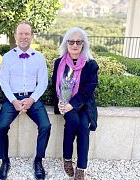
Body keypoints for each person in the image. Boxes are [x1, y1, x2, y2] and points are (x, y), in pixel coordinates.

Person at [0, 22, 51, 180]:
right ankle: (5, 162)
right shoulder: (7, 57)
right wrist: (13, 101)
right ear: (15, 35)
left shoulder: (39, 58)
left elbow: (43, 82)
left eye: (27, 34)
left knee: (46, 125)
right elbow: (3, 81)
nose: (24, 37)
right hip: (12, 98)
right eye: (21, 33)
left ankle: (38, 161)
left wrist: (32, 99)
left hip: (33, 98)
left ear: (32, 36)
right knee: (1, 127)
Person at [51, 27, 99, 180]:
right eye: (71, 41)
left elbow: (89, 88)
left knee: (83, 126)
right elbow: (55, 85)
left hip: (83, 104)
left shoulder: (91, 64)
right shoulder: (59, 63)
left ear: (84, 44)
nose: (75, 45)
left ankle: (81, 167)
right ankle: (66, 159)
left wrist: (73, 104)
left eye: (79, 42)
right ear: (66, 43)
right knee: (73, 120)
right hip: (65, 103)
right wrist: (60, 101)